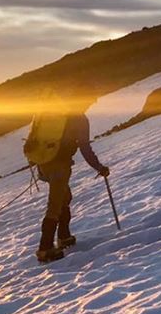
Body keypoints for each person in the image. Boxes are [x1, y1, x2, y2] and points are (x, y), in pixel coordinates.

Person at [36, 112, 109, 263]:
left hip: (45, 162)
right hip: (60, 165)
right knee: (55, 205)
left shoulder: (51, 114)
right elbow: (84, 147)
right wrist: (99, 167)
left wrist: (40, 169)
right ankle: (45, 248)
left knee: (64, 197)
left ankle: (64, 236)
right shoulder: (79, 118)